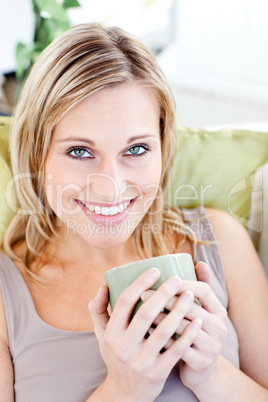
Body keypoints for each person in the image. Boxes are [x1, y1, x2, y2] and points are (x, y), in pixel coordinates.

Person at [0, 23, 267, 402]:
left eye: (136, 149)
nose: (110, 185)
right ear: (36, 153)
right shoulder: (5, 290)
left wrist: (211, 374)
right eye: (79, 151)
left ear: (163, 148)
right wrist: (124, 389)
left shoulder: (219, 239)